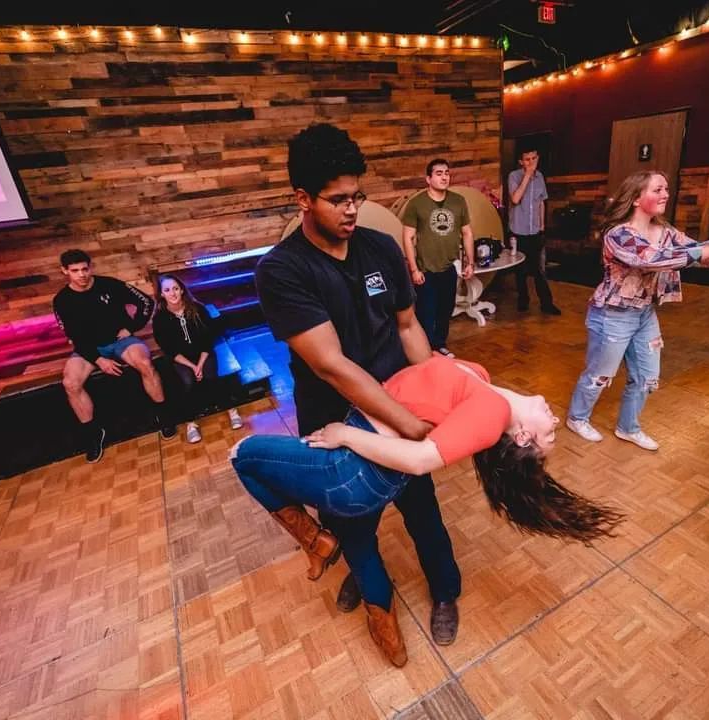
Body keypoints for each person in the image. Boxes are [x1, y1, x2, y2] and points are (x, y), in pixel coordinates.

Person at [231, 353, 621, 665]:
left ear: (521, 437)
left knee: (242, 455)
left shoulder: (492, 415)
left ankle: (317, 541)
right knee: (359, 542)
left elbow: (420, 460)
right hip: (371, 462)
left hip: (360, 467)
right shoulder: (483, 380)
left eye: (548, 432)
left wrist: (344, 434)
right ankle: (382, 630)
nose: (555, 418)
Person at [253, 123, 463, 663]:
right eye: (338, 200)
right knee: (349, 521)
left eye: (358, 196)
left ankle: (445, 592)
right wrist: (410, 425)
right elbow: (331, 365)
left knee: (422, 510)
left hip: (397, 405)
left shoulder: (381, 248)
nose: (352, 210)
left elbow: (409, 327)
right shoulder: (282, 270)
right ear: (303, 199)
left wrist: (435, 394)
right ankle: (367, 579)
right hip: (333, 418)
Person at [565, 171, 709, 451]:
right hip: (613, 316)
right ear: (636, 198)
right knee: (600, 375)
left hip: (644, 314)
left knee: (647, 376)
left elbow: (697, 252)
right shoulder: (618, 234)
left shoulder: (665, 231)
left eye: (666, 189)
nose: (665, 195)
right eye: (657, 190)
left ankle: (628, 427)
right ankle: (577, 418)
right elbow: (655, 259)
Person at [53, 249, 172, 463]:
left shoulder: (109, 284)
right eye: (75, 271)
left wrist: (132, 327)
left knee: (145, 363)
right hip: (89, 347)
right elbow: (74, 336)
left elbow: (146, 302)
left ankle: (163, 415)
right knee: (70, 383)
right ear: (65, 271)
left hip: (120, 340)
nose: (81, 275)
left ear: (91, 267)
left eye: (84, 269)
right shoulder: (62, 300)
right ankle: (93, 434)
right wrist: (99, 360)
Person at [152, 274, 242, 444]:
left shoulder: (198, 309)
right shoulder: (160, 319)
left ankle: (231, 410)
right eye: (167, 290)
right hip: (181, 358)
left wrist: (199, 364)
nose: (172, 293)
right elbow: (169, 349)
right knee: (186, 381)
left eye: (175, 288)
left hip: (203, 353)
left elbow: (208, 339)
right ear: (162, 294)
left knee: (211, 375)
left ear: (182, 290)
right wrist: (193, 367)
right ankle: (191, 423)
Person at [401, 158, 475, 357]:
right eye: (439, 173)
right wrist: (414, 270)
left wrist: (470, 262)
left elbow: (467, 232)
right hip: (425, 270)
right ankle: (424, 352)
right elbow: (407, 237)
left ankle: (440, 345)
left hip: (449, 267)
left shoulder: (458, 201)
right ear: (428, 178)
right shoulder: (417, 204)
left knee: (445, 310)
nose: (444, 177)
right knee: (426, 313)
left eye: (447, 173)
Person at [508, 148, 561, 315]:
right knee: (521, 269)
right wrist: (527, 176)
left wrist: (542, 225)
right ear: (521, 162)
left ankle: (547, 303)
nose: (531, 162)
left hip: (536, 231)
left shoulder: (540, 177)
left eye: (533, 158)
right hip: (518, 231)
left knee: (540, 269)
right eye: (527, 159)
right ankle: (523, 300)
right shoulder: (514, 176)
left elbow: (541, 202)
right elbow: (515, 199)